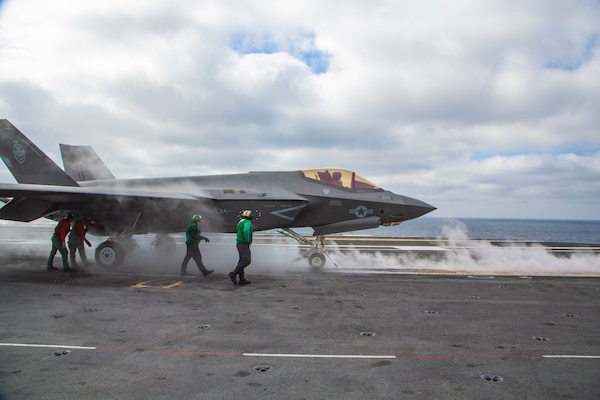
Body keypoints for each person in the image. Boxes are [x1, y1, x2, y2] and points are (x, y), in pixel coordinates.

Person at [228, 210, 253, 285]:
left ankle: (242, 279)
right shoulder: (247, 222)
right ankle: (234, 273)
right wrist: (248, 240)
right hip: (243, 243)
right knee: (247, 260)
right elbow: (246, 231)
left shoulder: (240, 221)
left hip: (239, 243)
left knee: (241, 261)